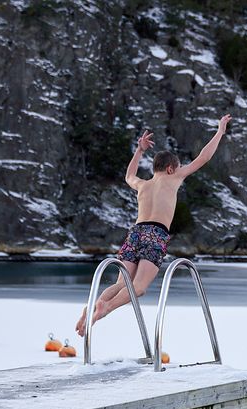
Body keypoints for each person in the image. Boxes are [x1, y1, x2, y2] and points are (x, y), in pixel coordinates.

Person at [76, 115, 231, 336]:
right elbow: (203, 158)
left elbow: (129, 175)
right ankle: (106, 307)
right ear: (170, 169)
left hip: (135, 233)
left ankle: (93, 306)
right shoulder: (174, 178)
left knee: (123, 284)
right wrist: (219, 132)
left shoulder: (143, 184)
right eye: (177, 167)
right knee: (138, 288)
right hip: (155, 234)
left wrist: (139, 151)